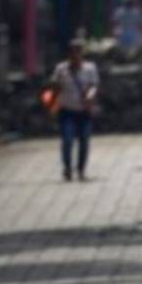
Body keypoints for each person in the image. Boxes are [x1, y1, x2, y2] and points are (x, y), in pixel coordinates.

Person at [48, 39, 100, 182]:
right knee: (67, 140)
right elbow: (55, 88)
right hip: (67, 110)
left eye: (78, 51)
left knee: (84, 141)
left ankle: (81, 169)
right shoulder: (61, 69)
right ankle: (67, 168)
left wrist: (90, 97)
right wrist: (52, 105)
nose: (76, 55)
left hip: (84, 111)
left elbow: (94, 86)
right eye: (73, 51)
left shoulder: (90, 68)